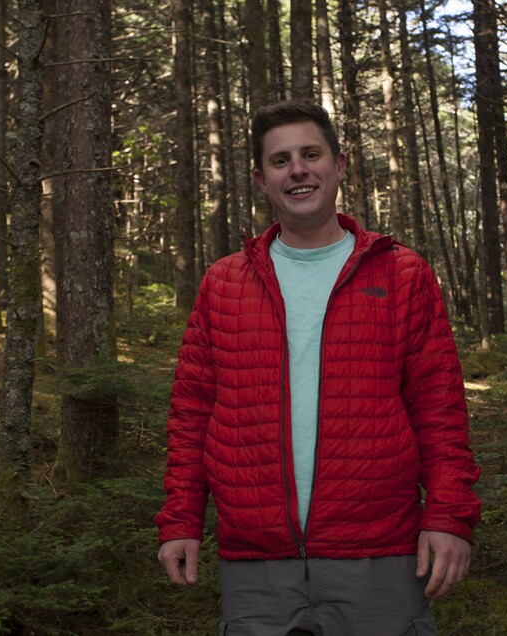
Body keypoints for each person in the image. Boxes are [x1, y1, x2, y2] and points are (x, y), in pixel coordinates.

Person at [156, 100, 480, 636]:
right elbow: (192, 414)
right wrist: (181, 520)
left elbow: (439, 409)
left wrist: (449, 517)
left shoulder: (402, 274)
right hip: (257, 565)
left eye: (311, 154)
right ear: (262, 180)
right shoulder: (224, 283)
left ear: (339, 164)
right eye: (281, 160)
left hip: (379, 554)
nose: (298, 170)